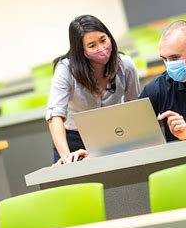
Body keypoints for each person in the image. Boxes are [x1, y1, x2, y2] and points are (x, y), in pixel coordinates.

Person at [46, 15, 140, 165]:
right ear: (81, 50)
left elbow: (134, 108)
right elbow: (55, 116)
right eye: (92, 45)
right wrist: (66, 157)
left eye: (103, 40)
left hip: (114, 133)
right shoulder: (65, 69)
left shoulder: (125, 65)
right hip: (75, 138)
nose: (101, 48)